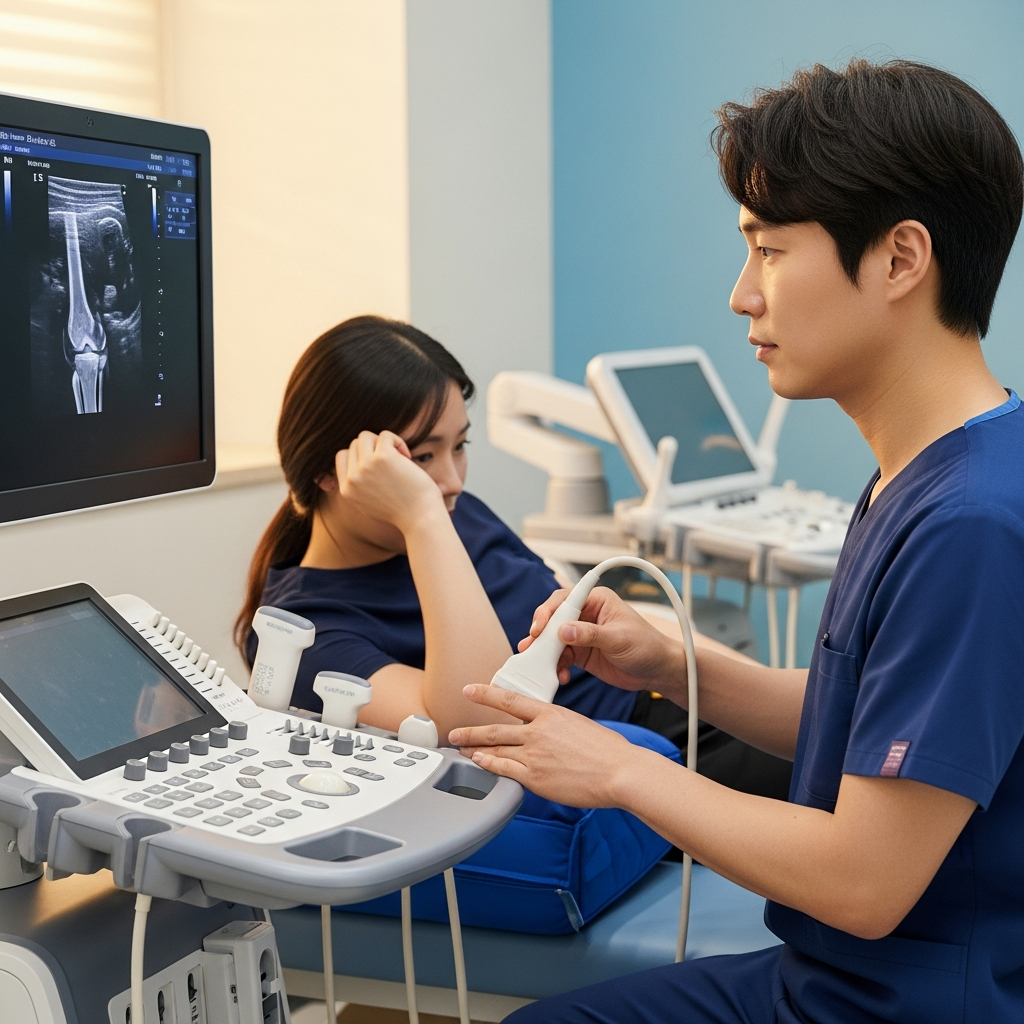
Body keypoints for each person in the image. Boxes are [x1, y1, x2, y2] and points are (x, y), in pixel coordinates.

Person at [451, 60, 1024, 1024]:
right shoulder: (940, 469)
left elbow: (864, 884)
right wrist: (673, 664)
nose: (741, 296)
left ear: (899, 259)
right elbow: (880, 738)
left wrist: (620, 769)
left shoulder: (968, 525)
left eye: (768, 250)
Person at [234, 316, 790, 797]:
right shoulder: (305, 631)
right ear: (333, 472)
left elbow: (585, 624)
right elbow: (483, 721)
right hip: (629, 756)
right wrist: (422, 517)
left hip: (672, 709)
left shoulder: (458, 515)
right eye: (422, 456)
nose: (450, 480)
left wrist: (749, 687)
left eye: (460, 446)